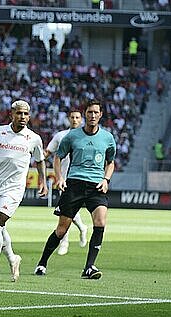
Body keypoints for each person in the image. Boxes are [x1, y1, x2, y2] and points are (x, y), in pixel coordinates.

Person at [34, 99, 116, 279]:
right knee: (62, 229)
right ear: (85, 114)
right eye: (89, 112)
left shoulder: (108, 138)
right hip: (75, 184)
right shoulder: (71, 136)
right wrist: (59, 177)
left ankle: (89, 267)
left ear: (100, 115)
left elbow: (111, 163)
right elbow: (57, 157)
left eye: (96, 112)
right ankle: (42, 263)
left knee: (100, 222)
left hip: (96, 186)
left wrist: (106, 179)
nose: (93, 115)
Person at [0, 100, 48, 283]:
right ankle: (13, 258)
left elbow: (39, 160)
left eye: (25, 114)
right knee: (0, 228)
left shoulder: (34, 138)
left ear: (29, 117)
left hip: (14, 189)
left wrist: (43, 181)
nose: (22, 117)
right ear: (11, 114)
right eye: (19, 113)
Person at [45, 110, 88, 256]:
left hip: (80, 178)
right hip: (64, 179)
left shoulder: (87, 137)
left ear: (81, 119)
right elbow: (49, 152)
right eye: (73, 117)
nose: (75, 120)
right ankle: (66, 241)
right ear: (68, 119)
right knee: (65, 212)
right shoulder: (61, 136)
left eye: (77, 117)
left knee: (69, 211)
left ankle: (81, 229)